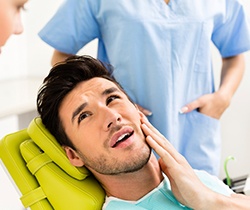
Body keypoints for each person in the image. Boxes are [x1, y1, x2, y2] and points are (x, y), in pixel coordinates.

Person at [38, 0, 250, 175]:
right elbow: (62, 56)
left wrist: (223, 97)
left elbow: (233, 54)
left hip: (195, 129)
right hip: (130, 133)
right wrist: (112, 103)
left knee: (204, 195)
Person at [37, 55, 250, 209]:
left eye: (112, 99)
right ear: (74, 155)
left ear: (138, 112)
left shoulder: (194, 180)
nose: (111, 116)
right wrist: (210, 202)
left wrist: (209, 198)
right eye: (84, 116)